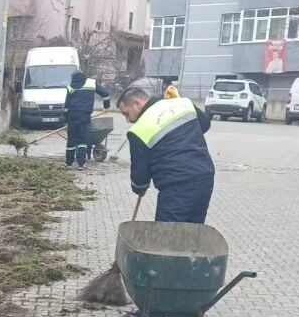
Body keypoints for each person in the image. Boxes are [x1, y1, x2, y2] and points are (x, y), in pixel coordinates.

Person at [117, 82, 214, 223]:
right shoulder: (183, 103)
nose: (128, 120)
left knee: (166, 232)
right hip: (205, 176)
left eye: (126, 113)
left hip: (176, 185)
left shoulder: (138, 130)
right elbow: (204, 124)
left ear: (137, 104)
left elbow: (140, 173)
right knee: (194, 230)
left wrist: (139, 188)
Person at [63, 69, 111, 168]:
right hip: (84, 115)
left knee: (71, 140)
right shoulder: (91, 83)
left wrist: (66, 119)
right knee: (82, 140)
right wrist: (106, 107)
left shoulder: (70, 87)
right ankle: (81, 164)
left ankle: (69, 163)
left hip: (72, 116)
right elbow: (105, 94)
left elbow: (66, 106)